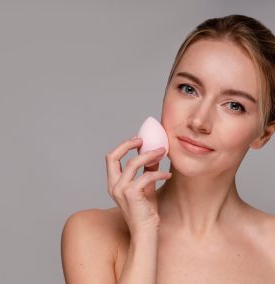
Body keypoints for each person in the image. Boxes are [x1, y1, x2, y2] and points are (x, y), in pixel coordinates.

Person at [61, 14, 275, 283]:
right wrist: (145, 233)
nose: (199, 121)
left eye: (234, 105)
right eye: (188, 89)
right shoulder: (92, 233)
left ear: (264, 134)